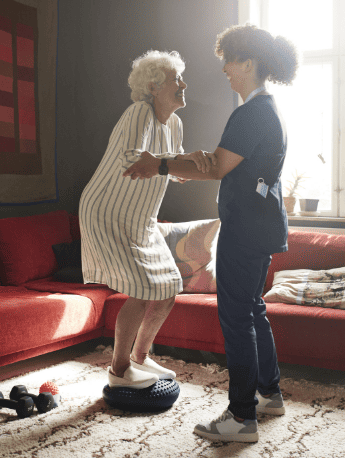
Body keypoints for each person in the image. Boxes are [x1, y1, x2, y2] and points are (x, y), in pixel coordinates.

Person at [123, 24, 299, 442]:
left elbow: (217, 166)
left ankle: (241, 417)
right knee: (253, 311)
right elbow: (220, 162)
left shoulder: (253, 112)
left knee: (237, 318)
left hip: (245, 230)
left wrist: (159, 164)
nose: (224, 69)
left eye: (229, 61)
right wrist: (188, 162)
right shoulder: (266, 109)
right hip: (259, 226)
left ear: (249, 63)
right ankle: (269, 393)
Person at [79, 50, 217, 390]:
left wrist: (190, 160)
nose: (183, 84)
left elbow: (168, 169)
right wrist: (178, 160)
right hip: (109, 211)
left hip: (141, 219)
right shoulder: (139, 112)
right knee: (141, 290)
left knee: (168, 287)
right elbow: (133, 159)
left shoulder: (176, 123)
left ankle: (140, 358)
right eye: (176, 80)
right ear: (154, 87)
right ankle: (119, 370)